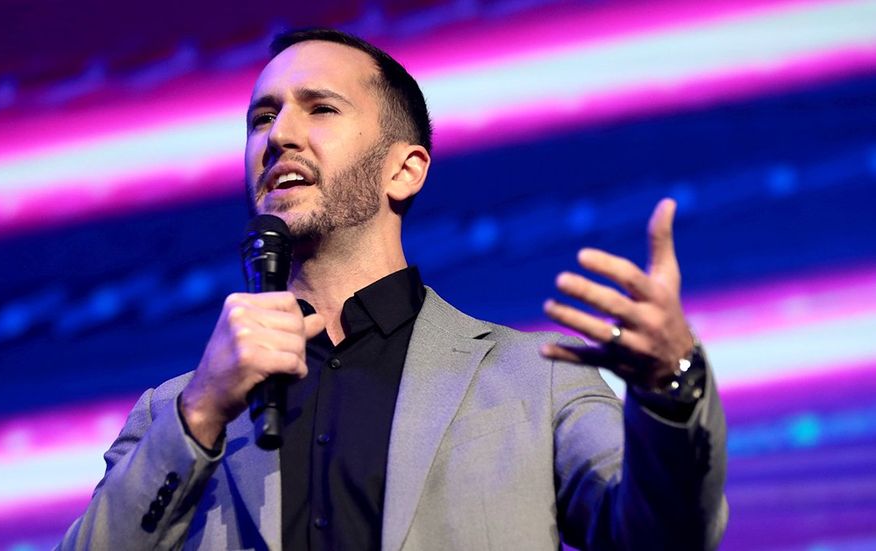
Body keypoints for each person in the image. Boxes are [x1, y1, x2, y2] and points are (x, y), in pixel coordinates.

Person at [59, 28, 727, 550]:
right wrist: (203, 412)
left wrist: (674, 386)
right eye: (261, 119)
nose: (278, 136)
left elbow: (666, 538)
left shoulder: (535, 379)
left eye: (319, 108)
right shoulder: (173, 413)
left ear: (403, 171)